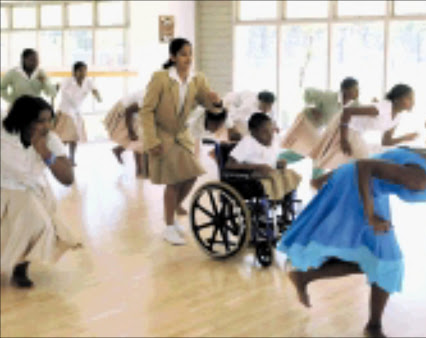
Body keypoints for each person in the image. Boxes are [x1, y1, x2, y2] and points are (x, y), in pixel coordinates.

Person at [278, 143, 426, 338]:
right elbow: (364, 166)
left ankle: (305, 277)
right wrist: (371, 215)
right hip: (354, 182)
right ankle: (372, 327)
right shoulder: (422, 179)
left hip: (374, 189)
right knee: (388, 263)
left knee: (381, 262)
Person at [139, 38, 224, 245]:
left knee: (192, 175)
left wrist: (216, 102)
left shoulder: (197, 79)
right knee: (174, 181)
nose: (188, 58)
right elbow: (147, 110)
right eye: (183, 54)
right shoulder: (160, 78)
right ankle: (169, 226)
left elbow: (209, 105)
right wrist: (151, 140)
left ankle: (172, 216)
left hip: (182, 135)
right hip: (162, 135)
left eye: (190, 53)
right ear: (173, 57)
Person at [1, 95, 81, 288]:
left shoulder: (50, 140)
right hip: (5, 188)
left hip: (34, 189)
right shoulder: (3, 133)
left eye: (49, 120)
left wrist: (44, 152)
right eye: (40, 121)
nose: (46, 125)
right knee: (16, 229)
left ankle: (20, 268)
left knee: (37, 226)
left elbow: (68, 178)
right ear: (24, 119)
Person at [310, 84, 419, 178]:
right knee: (364, 160)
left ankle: (324, 182)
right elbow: (347, 112)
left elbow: (386, 142)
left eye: (413, 99)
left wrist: (405, 138)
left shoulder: (397, 117)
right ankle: (321, 182)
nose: (412, 102)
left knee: (358, 161)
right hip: (345, 125)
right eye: (409, 98)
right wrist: (344, 140)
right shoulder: (385, 107)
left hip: (356, 131)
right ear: (397, 99)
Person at [279, 77, 361, 187]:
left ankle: (276, 161)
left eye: (358, 89)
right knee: (316, 152)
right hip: (307, 122)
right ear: (345, 90)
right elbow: (307, 93)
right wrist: (312, 107)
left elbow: (364, 113)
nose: (357, 92)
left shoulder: (354, 104)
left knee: (307, 152)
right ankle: (316, 181)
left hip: (319, 129)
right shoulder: (328, 97)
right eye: (354, 89)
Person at [226, 113, 301, 213]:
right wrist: (257, 167)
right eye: (265, 132)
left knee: (290, 174)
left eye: (271, 131)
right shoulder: (248, 142)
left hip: (269, 173)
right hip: (251, 177)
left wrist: (279, 163)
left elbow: (269, 162)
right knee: (274, 178)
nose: (270, 135)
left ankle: (287, 209)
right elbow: (229, 165)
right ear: (253, 132)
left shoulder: (273, 142)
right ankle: (269, 206)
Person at [53, 61, 102, 166]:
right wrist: (53, 93)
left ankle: (71, 158)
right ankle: (57, 156)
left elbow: (94, 90)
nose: (83, 73)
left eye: (85, 70)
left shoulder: (88, 81)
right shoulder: (67, 80)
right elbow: (59, 87)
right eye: (80, 70)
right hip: (65, 111)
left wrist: (97, 96)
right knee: (64, 139)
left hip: (77, 112)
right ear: (74, 72)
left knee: (74, 138)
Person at [103, 90, 147, 177]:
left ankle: (119, 150)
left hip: (132, 111)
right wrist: (131, 131)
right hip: (123, 110)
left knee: (140, 138)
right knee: (137, 137)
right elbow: (129, 111)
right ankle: (139, 170)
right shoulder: (150, 98)